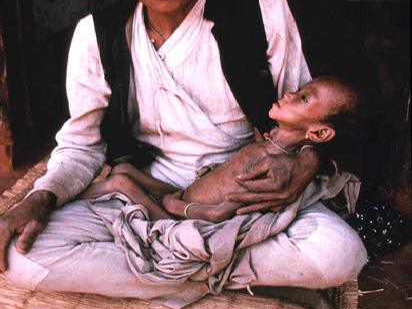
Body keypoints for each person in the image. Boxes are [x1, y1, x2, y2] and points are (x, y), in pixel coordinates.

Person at [0, 0, 367, 308]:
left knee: (339, 255)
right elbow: (82, 145)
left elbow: (305, 106)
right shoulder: (96, 34)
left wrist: (306, 162)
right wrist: (42, 195)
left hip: (249, 193)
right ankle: (231, 275)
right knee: (26, 260)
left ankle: (169, 268)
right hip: (146, 197)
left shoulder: (261, 8)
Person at [80, 76, 365, 222]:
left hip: (181, 218)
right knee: (123, 169)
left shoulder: (274, 169)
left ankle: (64, 203)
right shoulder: (269, 143)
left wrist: (176, 206)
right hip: (181, 194)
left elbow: (220, 214)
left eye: (303, 98)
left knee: (119, 182)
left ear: (320, 132)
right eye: (299, 89)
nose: (290, 93)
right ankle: (65, 198)